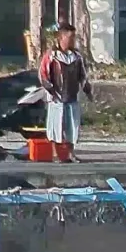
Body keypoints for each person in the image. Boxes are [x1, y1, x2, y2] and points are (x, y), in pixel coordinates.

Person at [38, 23, 93, 163]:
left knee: (72, 126)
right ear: (61, 37)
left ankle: (70, 153)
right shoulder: (52, 56)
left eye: (73, 37)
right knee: (56, 126)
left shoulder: (76, 56)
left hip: (72, 96)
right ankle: (56, 154)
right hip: (56, 97)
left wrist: (87, 90)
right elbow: (43, 75)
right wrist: (51, 90)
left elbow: (83, 76)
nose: (72, 40)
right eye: (70, 37)